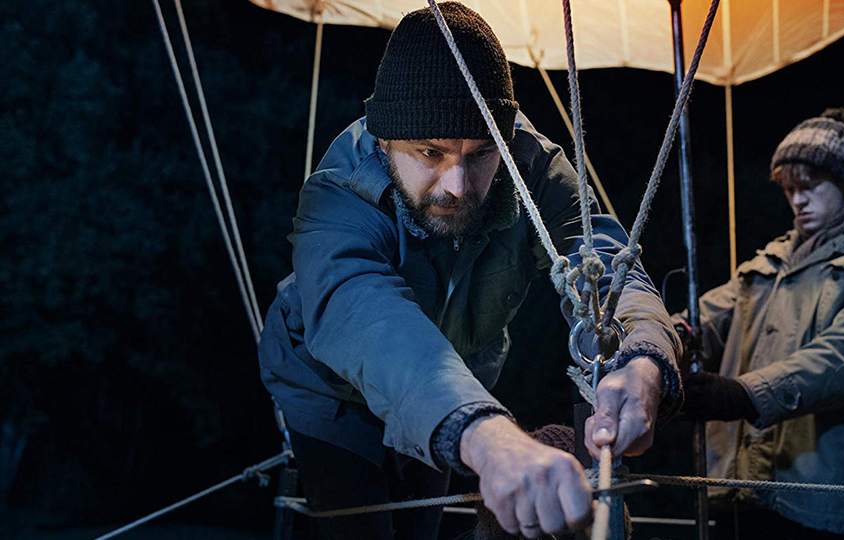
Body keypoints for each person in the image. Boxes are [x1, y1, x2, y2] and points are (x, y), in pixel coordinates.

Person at [257, 3, 682, 539]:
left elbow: (602, 261)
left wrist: (644, 357)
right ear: (385, 139)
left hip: (459, 377)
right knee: (356, 522)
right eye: (430, 152)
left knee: (420, 522)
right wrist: (489, 436)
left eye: (480, 153)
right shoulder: (335, 197)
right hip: (326, 385)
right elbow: (366, 314)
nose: (457, 184)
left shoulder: (534, 169)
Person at [675, 108, 844, 540]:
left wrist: (743, 394)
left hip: (831, 506)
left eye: (809, 186)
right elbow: (707, 317)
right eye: (789, 189)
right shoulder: (769, 261)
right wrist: (662, 340)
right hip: (748, 489)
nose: (797, 200)